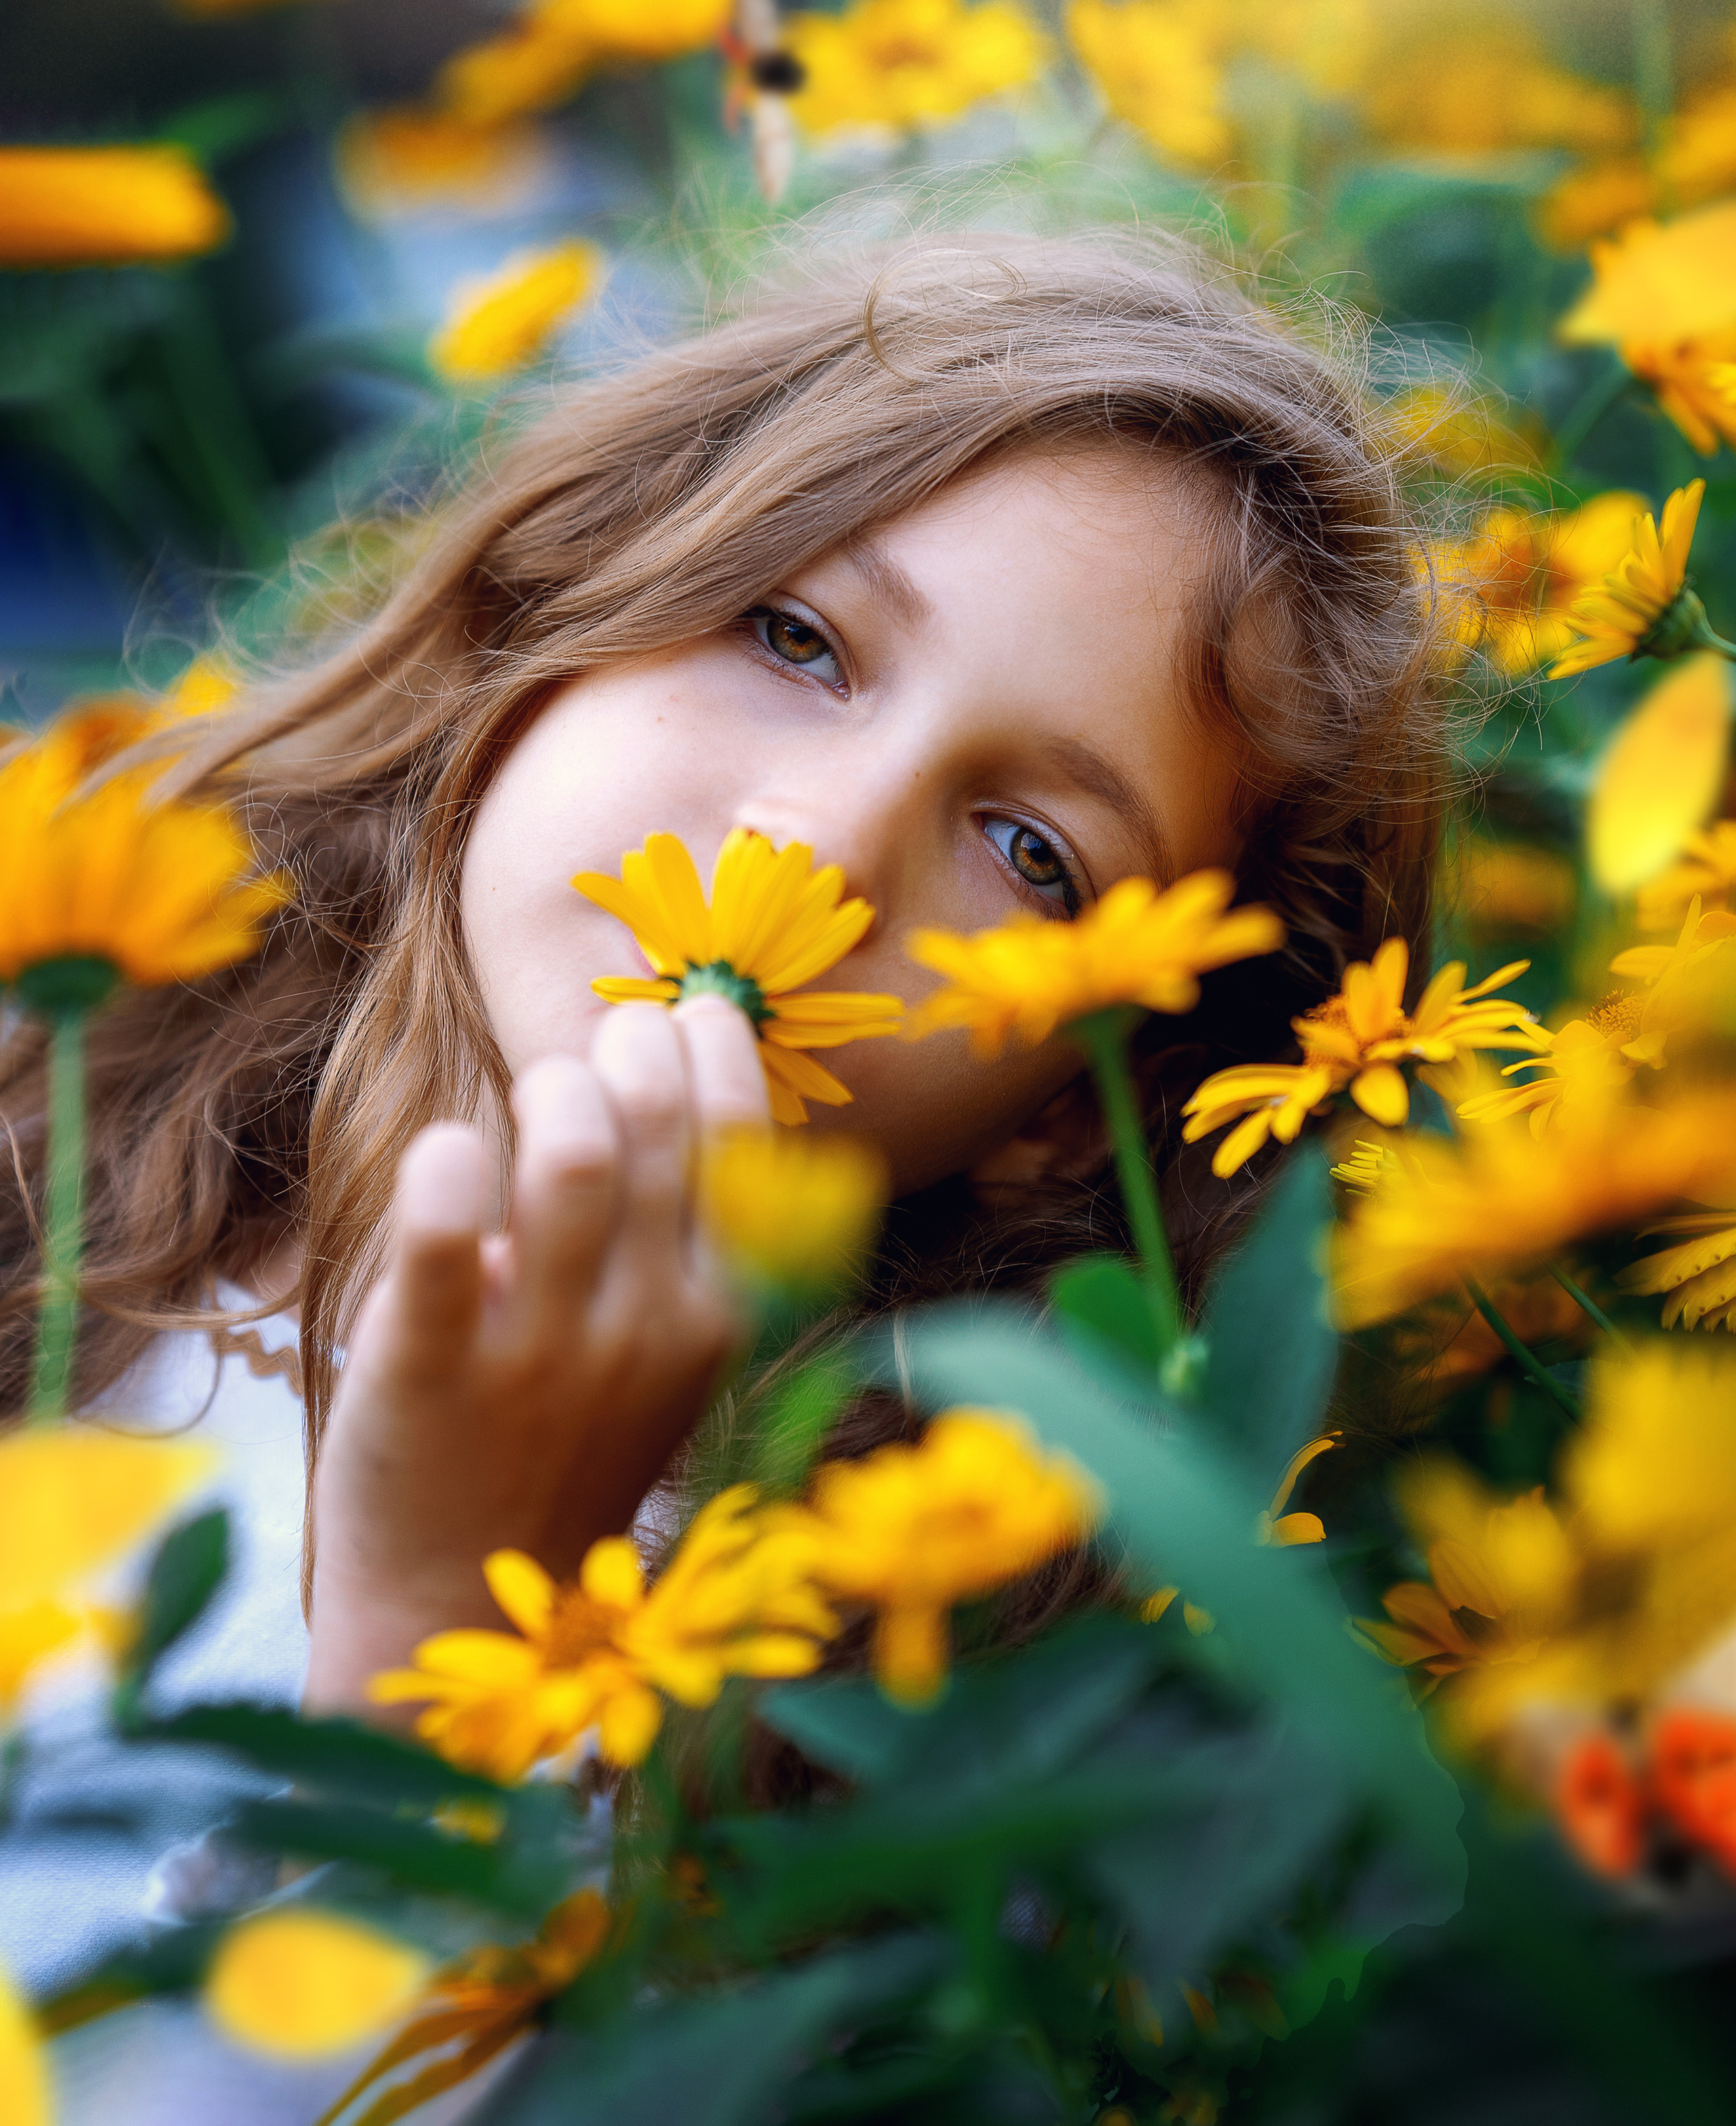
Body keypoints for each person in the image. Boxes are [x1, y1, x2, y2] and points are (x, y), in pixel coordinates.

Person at [0, 228, 1448, 1941]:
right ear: (557, 610)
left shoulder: (860, 1724)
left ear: (1074, 1106)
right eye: (796, 639)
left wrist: (444, 1642)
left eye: (1027, 852)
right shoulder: (45, 1100)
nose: (818, 851)